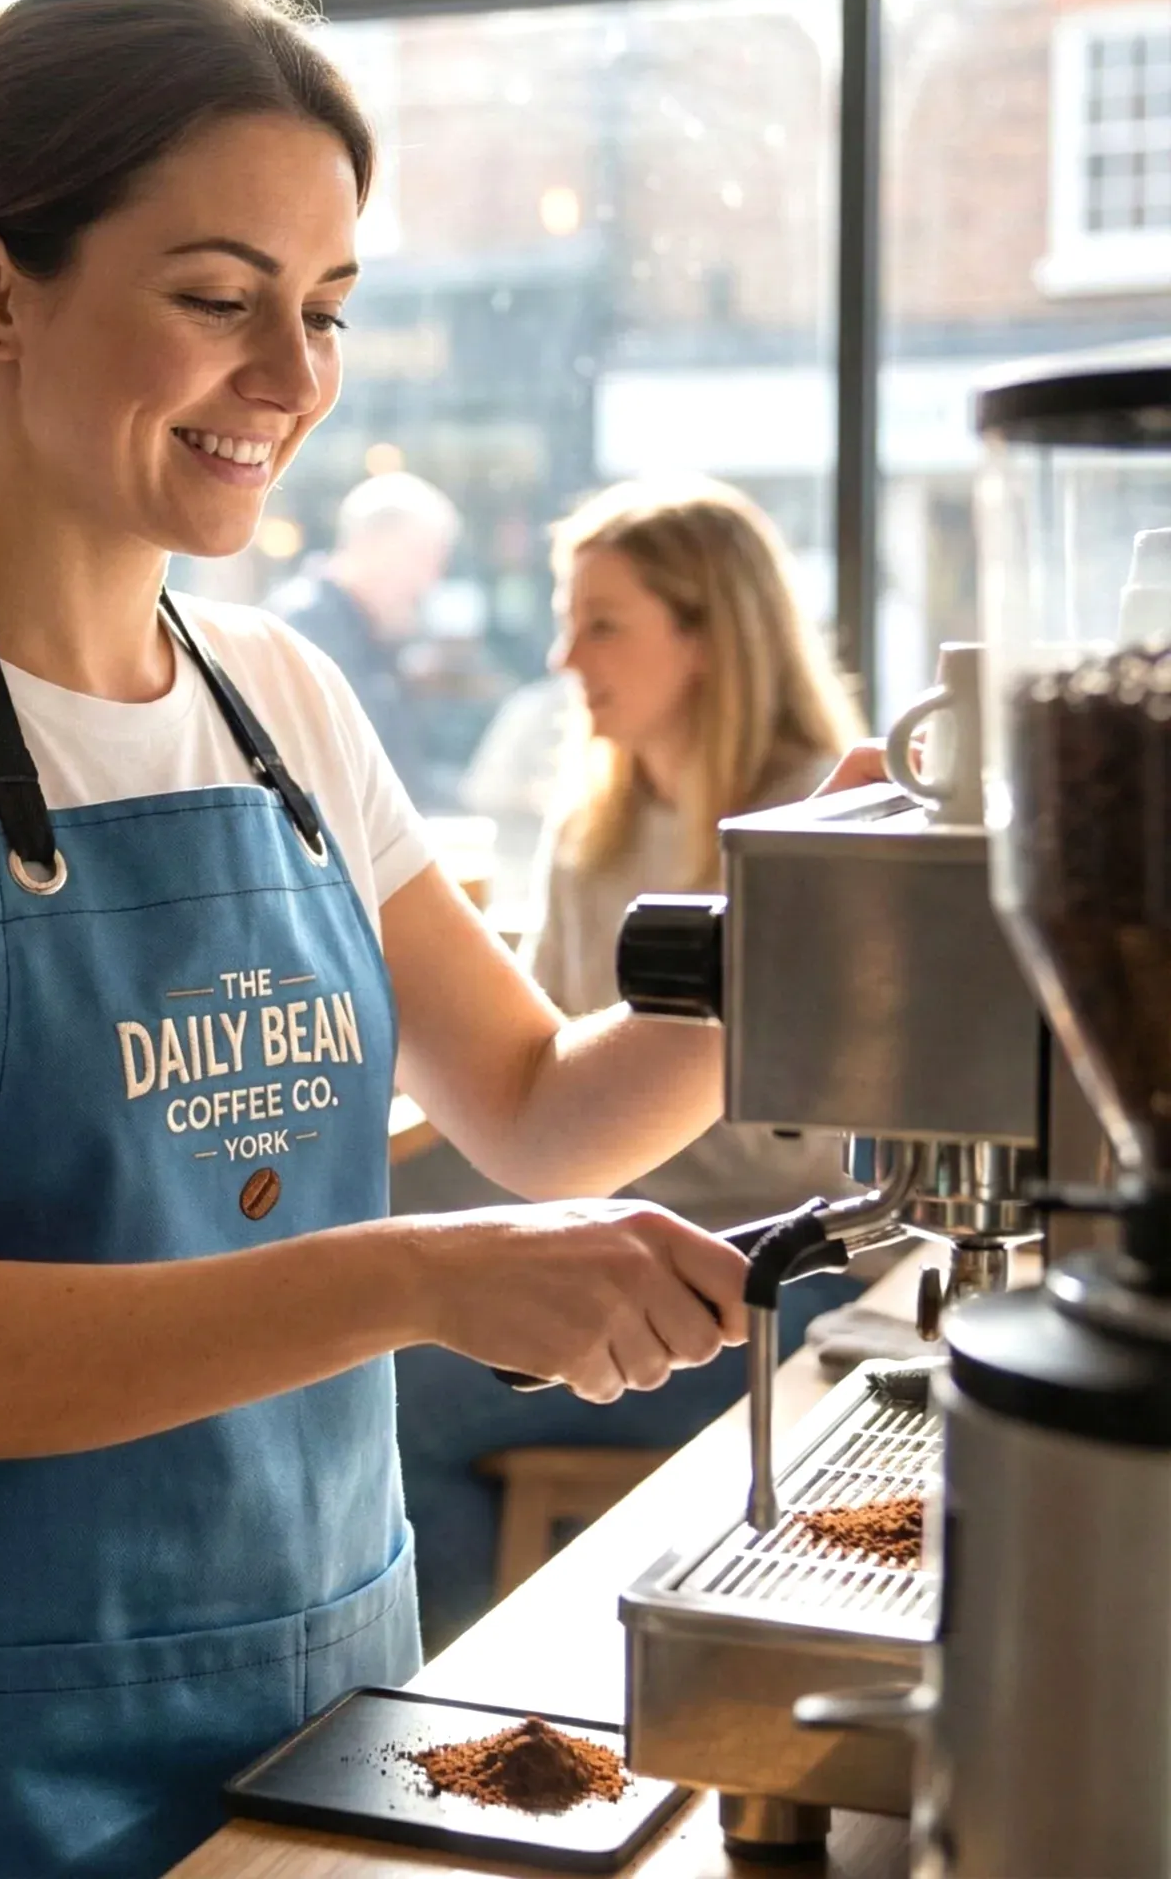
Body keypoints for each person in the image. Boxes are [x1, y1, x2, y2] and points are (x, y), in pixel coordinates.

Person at [0, 0, 789, 1879]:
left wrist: (827, 907)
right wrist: (422, 1276)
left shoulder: (281, 696)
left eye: (324, 308)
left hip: (321, 1669)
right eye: (217, 295)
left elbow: (540, 1102)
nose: (292, 375)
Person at [399, 475, 871, 1651]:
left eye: (600, 621)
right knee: (381, 1365)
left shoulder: (829, 825)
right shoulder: (589, 828)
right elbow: (550, 1079)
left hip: (782, 1274)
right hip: (621, 1244)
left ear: (709, 634)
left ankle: (447, 1716)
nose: (563, 657)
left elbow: (847, 1129)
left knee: (399, 1397)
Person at [267, 469, 457, 794]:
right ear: (368, 545)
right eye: (422, 557)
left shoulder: (370, 634)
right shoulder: (303, 629)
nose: (430, 580)